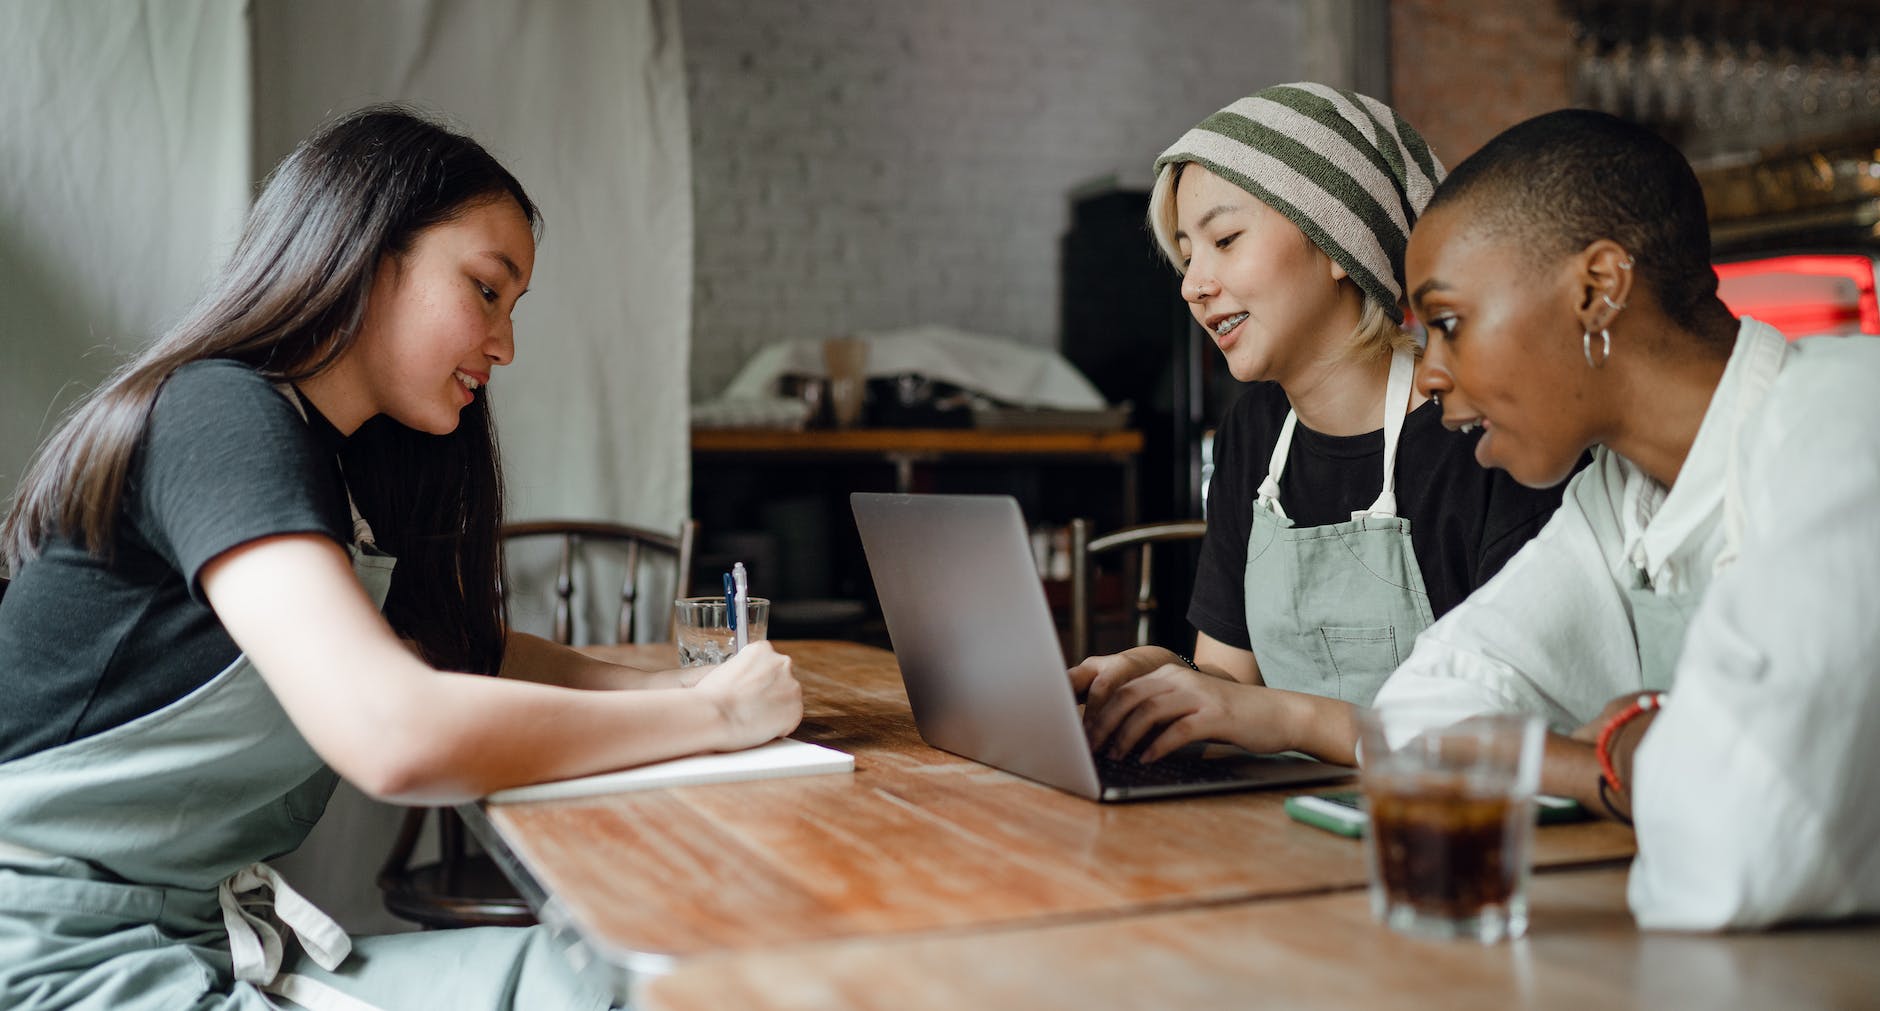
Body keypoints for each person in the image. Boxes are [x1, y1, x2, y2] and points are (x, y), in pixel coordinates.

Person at [0, 105, 802, 1010]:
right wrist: (717, 723)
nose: (504, 344)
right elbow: (394, 734)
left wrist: (677, 690)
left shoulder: (333, 457)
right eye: (487, 291)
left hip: (184, 945)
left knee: (641, 973)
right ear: (372, 255)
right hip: (57, 971)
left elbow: (462, 650)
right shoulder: (219, 415)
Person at [1385, 107, 1880, 929]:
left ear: (1598, 288)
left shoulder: (1847, 421)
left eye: (1446, 323)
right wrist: (1633, 754)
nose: (1428, 374)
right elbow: (1418, 719)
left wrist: (1609, 738)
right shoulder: (1621, 495)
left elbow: (1740, 848)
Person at [1074, 83, 1574, 766]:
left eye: (1224, 239)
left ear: (1341, 242)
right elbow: (1236, 683)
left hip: (1444, 838)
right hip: (1278, 826)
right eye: (1189, 255)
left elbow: (1515, 740)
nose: (1193, 284)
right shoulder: (1254, 430)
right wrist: (1162, 678)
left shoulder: (1484, 435)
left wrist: (1288, 718)